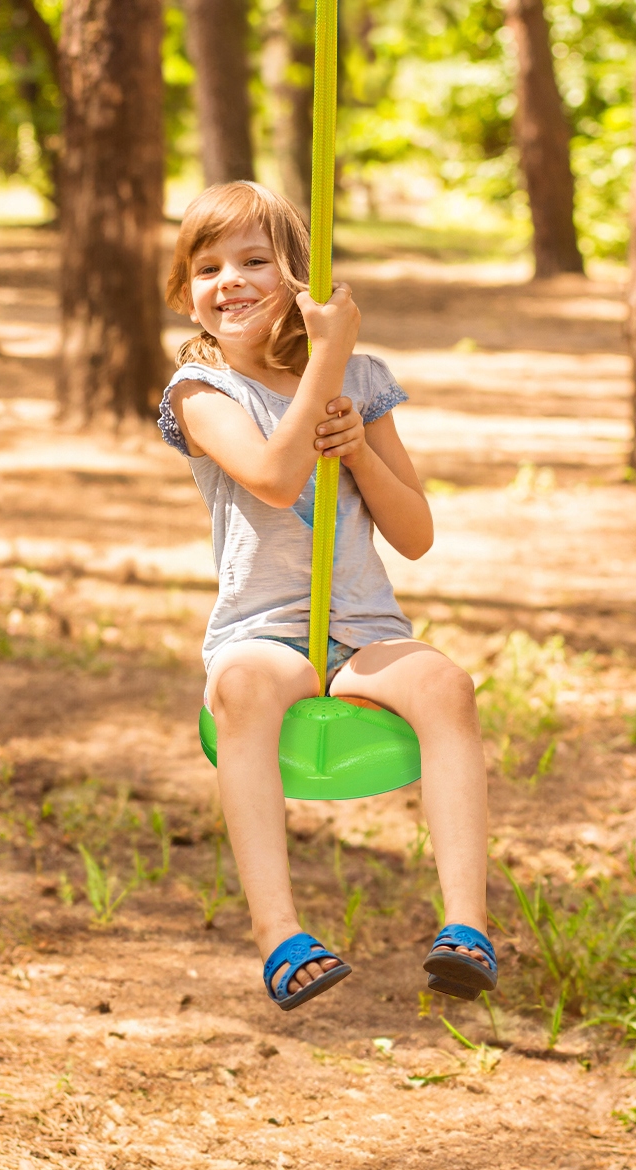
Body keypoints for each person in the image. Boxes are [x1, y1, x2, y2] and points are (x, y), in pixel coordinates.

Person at [159, 181, 496, 1012]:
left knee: (446, 685)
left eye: (253, 261)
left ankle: (468, 928)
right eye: (208, 267)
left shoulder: (363, 382)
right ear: (185, 292)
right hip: (263, 631)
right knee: (240, 690)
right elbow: (274, 479)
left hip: (363, 629)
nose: (228, 280)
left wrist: (362, 450)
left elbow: (414, 533)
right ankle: (279, 935)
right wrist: (327, 366)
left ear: (300, 280)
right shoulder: (201, 393)